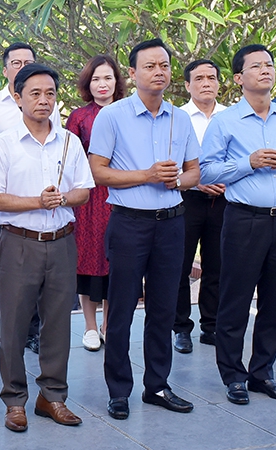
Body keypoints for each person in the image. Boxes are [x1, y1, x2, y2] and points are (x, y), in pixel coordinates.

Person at [88, 38, 200, 421]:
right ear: (132, 74)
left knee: (164, 308)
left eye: (164, 65)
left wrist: (179, 182)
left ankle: (157, 385)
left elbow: (194, 171)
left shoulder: (181, 118)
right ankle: (119, 390)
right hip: (129, 223)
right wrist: (147, 175)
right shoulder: (113, 116)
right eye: (150, 66)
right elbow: (97, 171)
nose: (159, 72)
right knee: (120, 308)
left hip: (171, 224)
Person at [200, 44, 276, 406]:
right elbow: (207, 171)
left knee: (275, 301)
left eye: (269, 65)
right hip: (243, 219)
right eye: (256, 66)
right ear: (238, 78)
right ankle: (233, 375)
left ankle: (263, 372)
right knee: (234, 300)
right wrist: (249, 162)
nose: (266, 70)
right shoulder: (225, 121)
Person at [0, 64, 92, 432]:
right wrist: (36, 202)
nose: (44, 101)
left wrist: (62, 200)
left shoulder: (69, 142)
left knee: (58, 323)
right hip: (19, 243)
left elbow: (84, 190)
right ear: (17, 98)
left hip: (61, 243)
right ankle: (15, 401)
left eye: (50, 94)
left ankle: (53, 397)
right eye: (35, 94)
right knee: (13, 324)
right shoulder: (3, 144)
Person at [0, 42, 60, 356]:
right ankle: (0, 333)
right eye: (16, 62)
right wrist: (9, 147)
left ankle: (33, 331)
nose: (22, 65)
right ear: (5, 69)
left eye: (28, 61)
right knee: (0, 268)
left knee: (40, 268)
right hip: (5, 196)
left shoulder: (49, 102)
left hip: (44, 198)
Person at [66, 55, 125, 352]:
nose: (102, 84)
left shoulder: (129, 112)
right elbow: (71, 160)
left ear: (117, 81)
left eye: (108, 78)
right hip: (89, 199)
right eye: (96, 79)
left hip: (123, 195)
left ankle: (108, 324)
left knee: (116, 261)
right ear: (88, 84)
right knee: (89, 261)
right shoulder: (79, 117)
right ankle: (90, 326)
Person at [174, 59, 227, 354]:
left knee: (217, 265)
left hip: (224, 198)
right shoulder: (178, 118)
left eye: (211, 77)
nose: (206, 83)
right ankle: (181, 327)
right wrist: (196, 182)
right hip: (187, 199)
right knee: (180, 266)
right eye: (199, 78)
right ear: (187, 85)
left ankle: (212, 325)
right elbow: (172, 161)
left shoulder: (232, 116)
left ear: (220, 83)